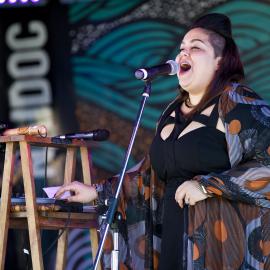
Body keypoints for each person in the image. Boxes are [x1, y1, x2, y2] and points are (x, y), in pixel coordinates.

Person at [55, 13, 270, 270]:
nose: (183, 55)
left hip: (219, 243)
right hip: (172, 234)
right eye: (182, 49)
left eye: (196, 48)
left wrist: (206, 186)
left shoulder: (237, 102)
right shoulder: (171, 112)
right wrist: (97, 191)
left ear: (219, 61)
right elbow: (148, 176)